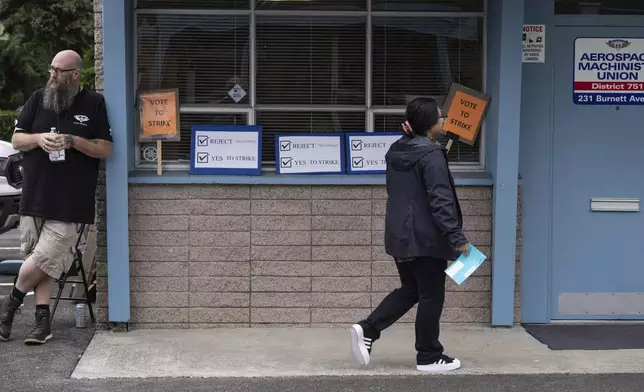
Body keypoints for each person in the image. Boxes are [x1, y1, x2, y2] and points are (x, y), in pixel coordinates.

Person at [0, 49, 112, 345]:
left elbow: (105, 149)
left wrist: (74, 141)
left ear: (75, 74)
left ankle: (8, 307)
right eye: (51, 69)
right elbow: (16, 140)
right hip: (34, 194)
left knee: (45, 256)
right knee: (42, 260)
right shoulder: (38, 98)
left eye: (59, 71)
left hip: (71, 200)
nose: (52, 75)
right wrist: (39, 139)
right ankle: (42, 321)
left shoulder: (94, 103)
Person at [350, 97, 470, 372]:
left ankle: (368, 329)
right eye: (441, 117)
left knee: (412, 290)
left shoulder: (396, 150)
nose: (444, 121)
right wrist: (456, 237)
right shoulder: (431, 155)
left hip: (401, 236)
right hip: (426, 239)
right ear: (430, 124)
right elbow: (441, 200)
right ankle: (429, 355)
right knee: (431, 295)